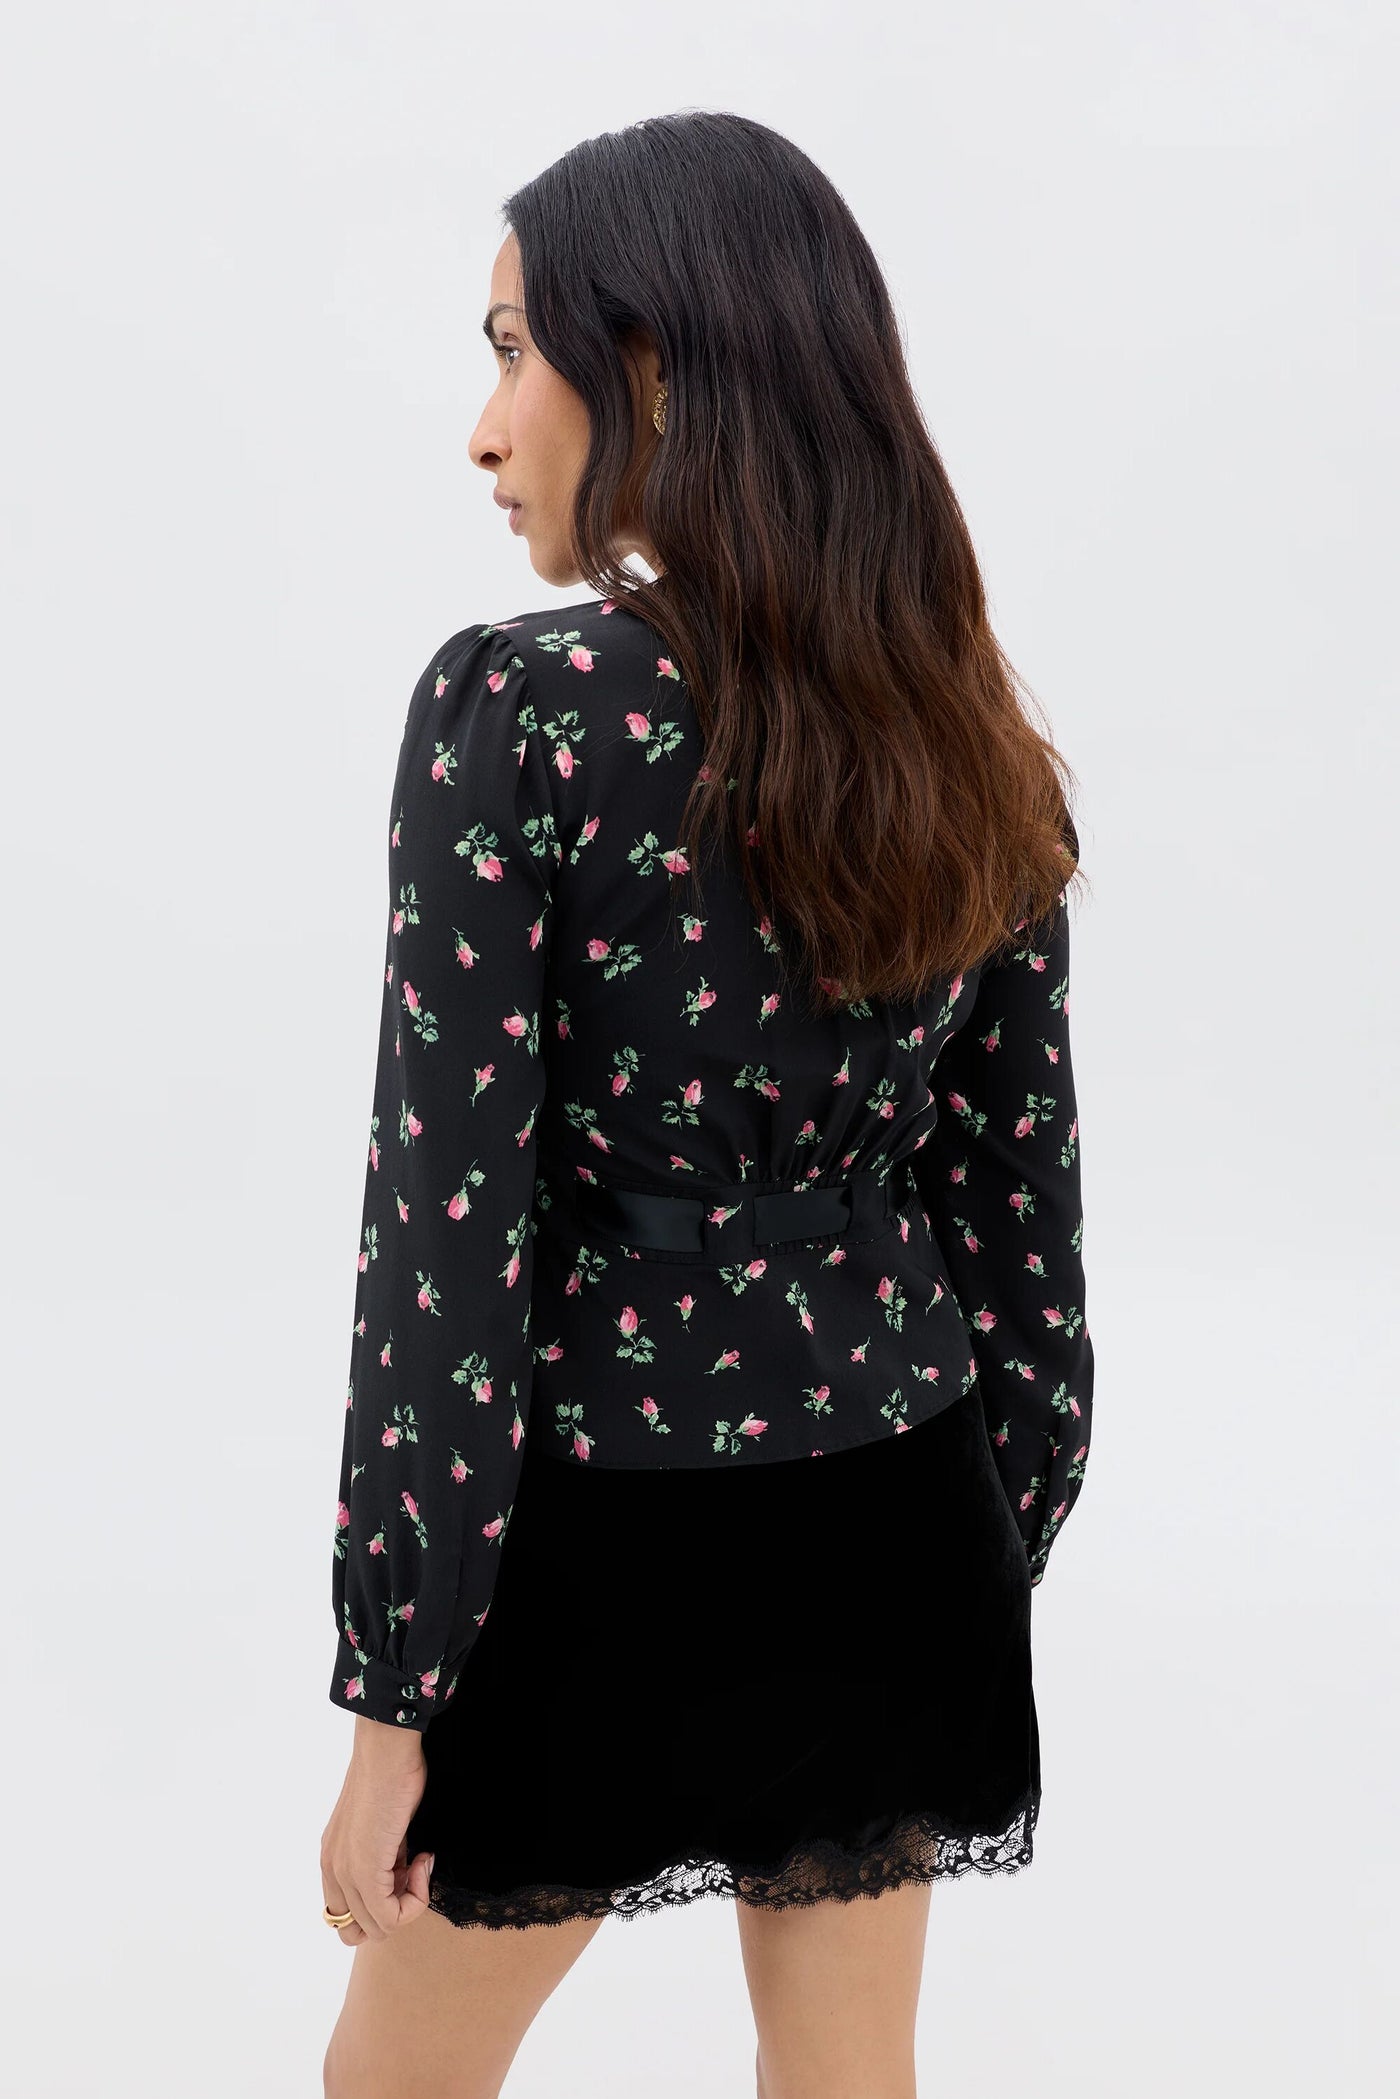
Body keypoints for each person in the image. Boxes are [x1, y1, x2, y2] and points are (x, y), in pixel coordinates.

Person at [321, 109, 1094, 2099]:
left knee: (386, 2089)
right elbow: (1021, 1226)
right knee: (845, 2083)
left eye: (511, 349)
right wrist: (969, 1534)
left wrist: (396, 1698)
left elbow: (447, 1242)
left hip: (607, 1543)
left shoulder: (524, 719)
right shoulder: (961, 727)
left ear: (645, 365)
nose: (483, 431)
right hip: (902, 1503)